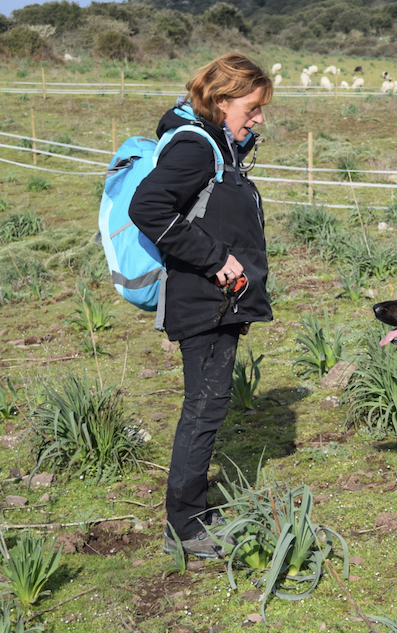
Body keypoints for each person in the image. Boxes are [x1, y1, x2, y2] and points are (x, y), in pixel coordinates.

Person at [130, 52, 273, 558]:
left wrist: (240, 140)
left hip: (219, 300)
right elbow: (147, 207)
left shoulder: (218, 144)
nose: (259, 118)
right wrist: (216, 260)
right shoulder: (195, 147)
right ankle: (186, 527)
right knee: (204, 408)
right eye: (252, 108)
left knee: (207, 405)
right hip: (204, 301)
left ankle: (191, 515)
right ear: (220, 99)